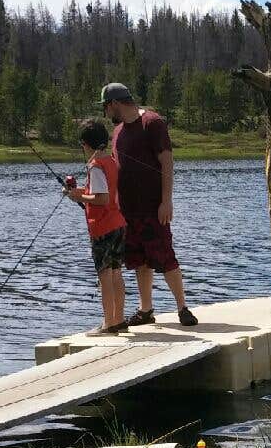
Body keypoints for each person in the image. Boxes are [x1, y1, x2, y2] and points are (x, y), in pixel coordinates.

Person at [99, 82, 197, 327]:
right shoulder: (119, 131)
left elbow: (167, 162)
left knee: (165, 257)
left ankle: (182, 307)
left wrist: (167, 201)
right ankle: (146, 310)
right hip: (126, 211)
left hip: (153, 207)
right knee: (139, 261)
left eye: (106, 108)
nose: (106, 114)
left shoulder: (152, 123)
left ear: (115, 104)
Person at [64, 119, 129, 336]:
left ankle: (108, 324)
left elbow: (101, 198)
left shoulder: (95, 166)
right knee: (116, 273)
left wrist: (79, 196)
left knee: (105, 276)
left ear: (85, 144)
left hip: (103, 228)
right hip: (119, 225)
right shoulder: (110, 161)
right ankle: (119, 320)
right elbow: (103, 191)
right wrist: (78, 192)